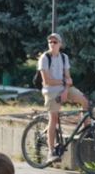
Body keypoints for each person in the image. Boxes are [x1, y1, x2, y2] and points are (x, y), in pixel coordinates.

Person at [37, 33, 88, 163]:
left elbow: (69, 79)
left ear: (60, 43)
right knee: (53, 118)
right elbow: (47, 80)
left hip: (63, 88)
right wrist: (64, 81)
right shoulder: (44, 58)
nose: (52, 44)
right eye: (50, 42)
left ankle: (86, 130)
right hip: (50, 91)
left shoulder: (64, 57)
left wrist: (65, 91)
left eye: (55, 42)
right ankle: (51, 151)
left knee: (84, 101)